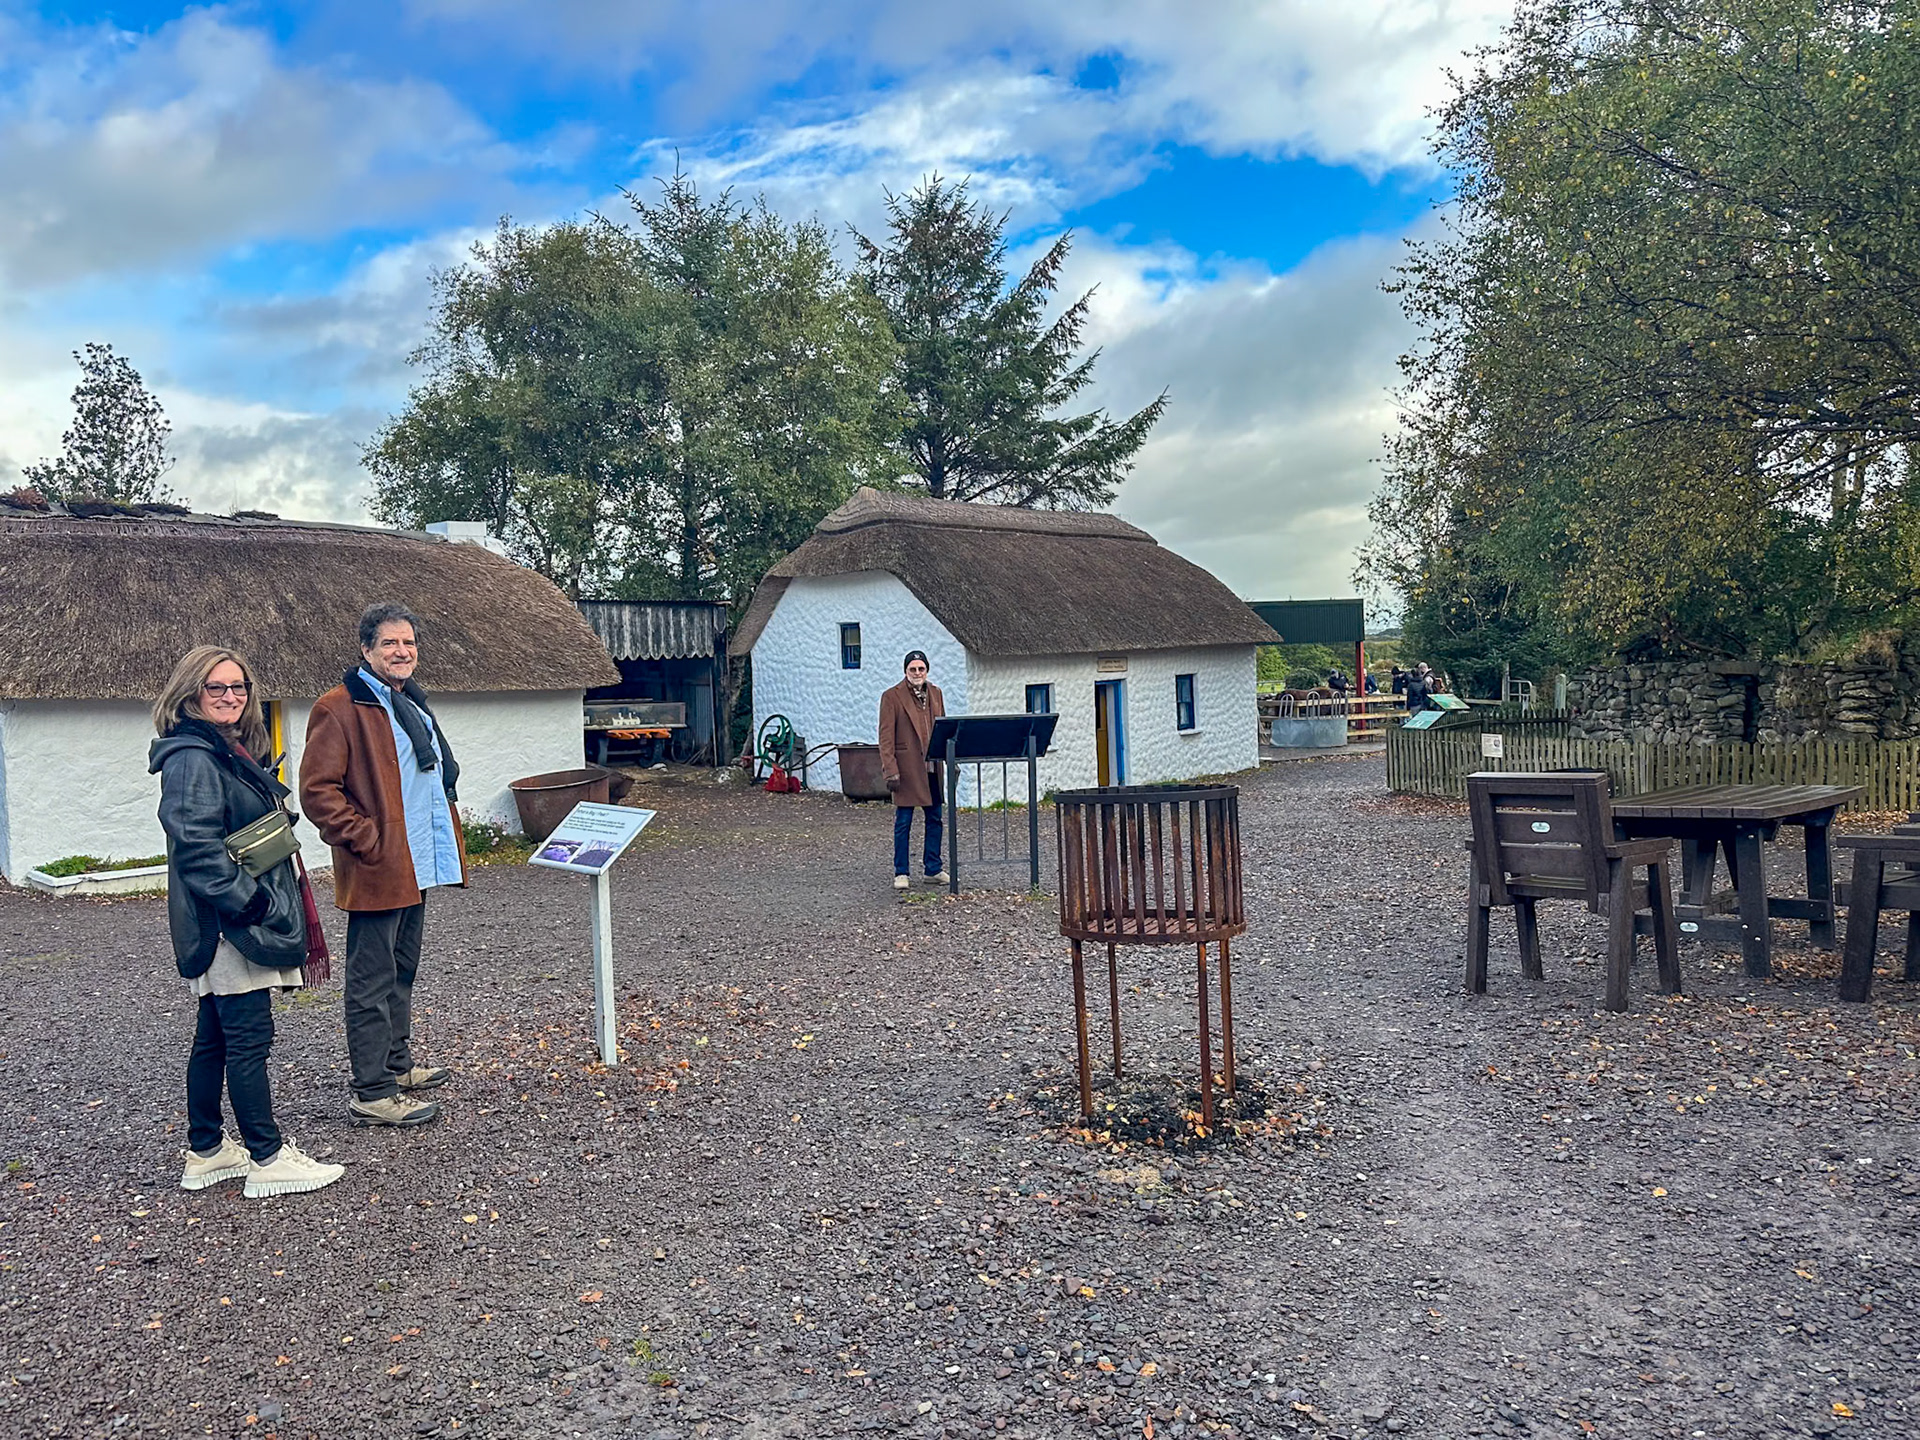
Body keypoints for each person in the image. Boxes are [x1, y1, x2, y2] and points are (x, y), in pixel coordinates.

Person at [151, 646, 344, 1198]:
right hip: (227, 926)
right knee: (248, 1039)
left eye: (238, 687)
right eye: (217, 688)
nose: (231, 697)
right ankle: (267, 1156)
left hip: (224, 920)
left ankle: (207, 1151)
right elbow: (197, 850)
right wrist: (254, 905)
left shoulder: (222, 751)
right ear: (191, 693)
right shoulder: (193, 757)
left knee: (214, 1038)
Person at [300, 603, 466, 1128]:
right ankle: (372, 1091)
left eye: (409, 643)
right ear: (366, 649)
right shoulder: (340, 707)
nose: (402, 652)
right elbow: (318, 791)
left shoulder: (407, 703)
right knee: (372, 978)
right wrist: (366, 839)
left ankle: (396, 1066)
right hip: (381, 863)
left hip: (418, 860)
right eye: (390, 643)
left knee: (402, 969)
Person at [878, 650, 947, 890]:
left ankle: (933, 868)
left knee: (935, 818)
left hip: (932, 767)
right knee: (904, 821)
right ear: (905, 671)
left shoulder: (936, 693)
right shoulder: (892, 696)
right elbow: (885, 737)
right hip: (906, 769)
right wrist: (890, 769)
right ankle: (901, 871)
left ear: (926, 670)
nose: (917, 673)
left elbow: (943, 727)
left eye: (921, 669)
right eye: (913, 669)